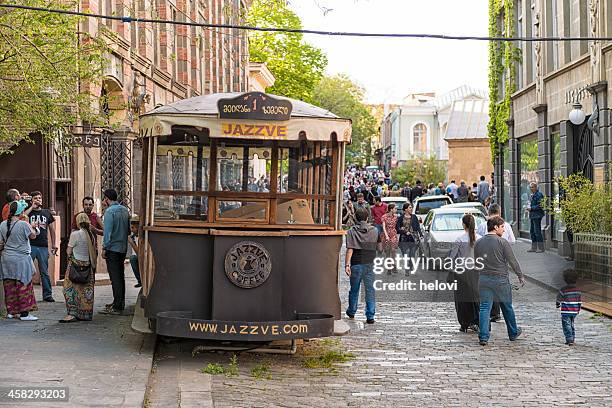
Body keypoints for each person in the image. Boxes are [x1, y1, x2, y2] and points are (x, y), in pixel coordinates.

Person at [474, 216, 525, 346]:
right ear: (495, 227)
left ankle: (483, 336)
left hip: (484, 278)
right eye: (502, 227)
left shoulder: (478, 243)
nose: (503, 230)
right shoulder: (502, 242)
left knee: (485, 307)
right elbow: (512, 260)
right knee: (507, 306)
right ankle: (513, 332)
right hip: (500, 279)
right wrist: (520, 275)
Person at [477, 203, 516, 322]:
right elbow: (513, 241)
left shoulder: (483, 225)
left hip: (486, 261)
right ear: (499, 212)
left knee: (487, 294)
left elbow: (478, 239)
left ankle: (493, 314)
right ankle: (499, 315)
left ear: (489, 212)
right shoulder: (506, 225)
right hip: (501, 262)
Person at [0, 201, 39, 321]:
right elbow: (33, 236)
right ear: (20, 212)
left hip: (6, 259)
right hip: (21, 259)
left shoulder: (2, 224)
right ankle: (24, 314)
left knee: (9, 285)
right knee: (23, 285)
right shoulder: (23, 224)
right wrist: (34, 227)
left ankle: (11, 312)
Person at [61, 212, 97, 322]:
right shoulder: (91, 235)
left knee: (69, 289)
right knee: (86, 291)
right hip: (88, 267)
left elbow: (68, 251)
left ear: (78, 222)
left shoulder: (75, 234)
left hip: (75, 266)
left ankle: (72, 313)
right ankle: (85, 314)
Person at [448, 214, 481, 333]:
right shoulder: (479, 238)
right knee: (475, 298)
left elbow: (452, 257)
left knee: (461, 299)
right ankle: (476, 321)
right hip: (476, 271)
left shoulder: (459, 239)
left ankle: (464, 323)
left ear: (464, 224)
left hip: (461, 272)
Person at [345, 207, 379, 324]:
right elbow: (379, 248)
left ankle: (352, 311)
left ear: (355, 218)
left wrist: (347, 265)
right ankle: (370, 315)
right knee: (370, 290)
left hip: (356, 263)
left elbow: (350, 249)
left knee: (354, 290)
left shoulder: (351, 231)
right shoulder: (374, 231)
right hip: (370, 263)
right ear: (367, 217)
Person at [100, 189, 130, 315]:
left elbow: (107, 233)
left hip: (112, 248)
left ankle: (117, 306)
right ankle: (119, 302)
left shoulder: (109, 212)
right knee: (120, 276)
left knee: (115, 277)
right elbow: (128, 230)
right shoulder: (124, 210)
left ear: (107, 198)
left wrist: (104, 248)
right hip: (123, 248)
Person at [28, 191, 57, 302]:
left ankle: (47, 295)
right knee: (28, 271)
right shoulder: (29, 213)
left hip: (43, 246)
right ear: (32, 200)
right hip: (30, 246)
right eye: (35, 198)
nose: (38, 200)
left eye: (40, 198)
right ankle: (28, 295)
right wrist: (32, 207)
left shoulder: (46, 213)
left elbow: (52, 230)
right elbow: (23, 217)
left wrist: (54, 244)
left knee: (44, 271)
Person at [556, 269, 582, 346]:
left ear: (565, 279)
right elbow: (579, 301)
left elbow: (559, 299)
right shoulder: (578, 290)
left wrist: (557, 304)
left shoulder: (563, 290)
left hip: (566, 311)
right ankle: (573, 337)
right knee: (571, 324)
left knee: (566, 324)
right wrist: (578, 309)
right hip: (574, 311)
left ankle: (569, 339)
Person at [396, 202, 422, 274]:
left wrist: (421, 235)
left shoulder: (414, 217)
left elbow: (417, 227)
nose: (411, 209)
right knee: (406, 254)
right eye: (410, 207)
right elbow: (397, 228)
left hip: (413, 238)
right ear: (405, 209)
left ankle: (410, 265)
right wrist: (404, 231)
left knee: (412, 254)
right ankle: (407, 270)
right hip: (404, 238)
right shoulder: (401, 218)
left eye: (411, 207)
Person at [526, 182, 545, 253]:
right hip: (532, 215)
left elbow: (541, 205)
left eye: (532, 187)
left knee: (537, 231)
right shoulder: (532, 195)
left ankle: (541, 248)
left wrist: (532, 208)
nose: (531, 189)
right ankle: (534, 248)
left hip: (537, 215)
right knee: (532, 232)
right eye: (530, 187)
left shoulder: (539, 195)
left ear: (536, 187)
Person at [381, 203, 398, 272]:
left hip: (393, 234)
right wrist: (387, 235)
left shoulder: (396, 217)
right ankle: (389, 267)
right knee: (387, 252)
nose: (396, 210)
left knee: (393, 250)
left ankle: (394, 265)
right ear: (391, 209)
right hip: (386, 235)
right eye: (395, 208)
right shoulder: (384, 217)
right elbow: (384, 227)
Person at [128, 216, 142, 288]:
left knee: (133, 258)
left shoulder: (142, 237)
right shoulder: (134, 236)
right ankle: (140, 280)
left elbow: (139, 254)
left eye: (133, 228)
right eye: (131, 227)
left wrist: (132, 243)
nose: (132, 230)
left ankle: (140, 280)